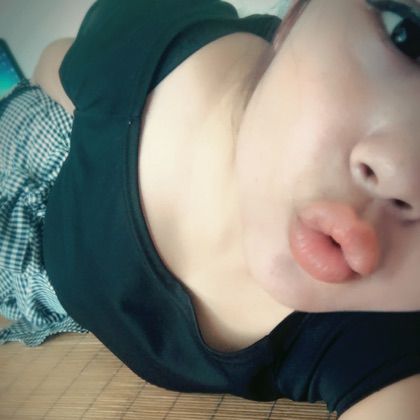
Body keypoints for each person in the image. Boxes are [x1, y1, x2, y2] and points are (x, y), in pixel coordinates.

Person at [1, 0, 420, 417]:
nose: (400, 172)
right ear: (299, 12)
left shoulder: (382, 338)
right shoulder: (150, 33)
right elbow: (55, 64)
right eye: (408, 35)